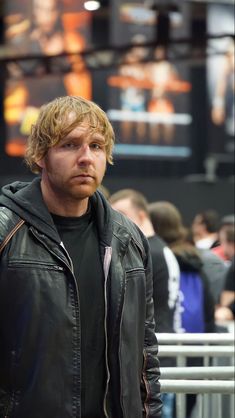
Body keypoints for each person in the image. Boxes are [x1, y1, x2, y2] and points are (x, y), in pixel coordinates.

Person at [0, 96, 162, 418]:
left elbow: (145, 355)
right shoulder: (6, 233)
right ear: (40, 155)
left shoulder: (128, 239)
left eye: (96, 146)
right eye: (70, 145)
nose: (86, 158)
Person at [109, 189, 180, 418]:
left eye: (122, 213)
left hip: (152, 354)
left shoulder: (147, 251)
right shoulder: (160, 248)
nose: (117, 221)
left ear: (141, 215)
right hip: (157, 350)